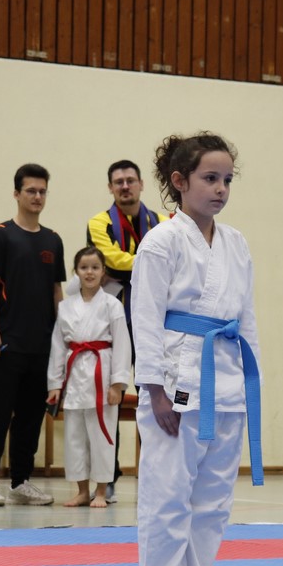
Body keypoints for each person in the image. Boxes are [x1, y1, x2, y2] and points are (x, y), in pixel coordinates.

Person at [131, 132, 263, 566]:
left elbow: (247, 319)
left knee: (213, 501)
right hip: (177, 378)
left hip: (227, 378)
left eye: (227, 179)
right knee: (169, 494)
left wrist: (250, 384)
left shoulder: (236, 243)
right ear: (180, 181)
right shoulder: (161, 242)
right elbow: (145, 318)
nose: (221, 189)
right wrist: (154, 390)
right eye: (210, 178)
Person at [0, 163, 66, 507]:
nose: (37, 196)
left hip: (42, 346)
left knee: (30, 418)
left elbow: (56, 292)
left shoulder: (53, 240)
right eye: (31, 191)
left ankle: (21, 481)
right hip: (6, 343)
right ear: (17, 193)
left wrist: (64, 338)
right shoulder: (0, 235)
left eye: (42, 191)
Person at [86, 159, 168, 502]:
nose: (124, 186)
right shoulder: (99, 222)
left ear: (141, 184)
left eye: (130, 180)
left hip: (155, 320)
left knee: (155, 393)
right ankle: (108, 477)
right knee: (112, 397)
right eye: (118, 182)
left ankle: (157, 473)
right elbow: (108, 260)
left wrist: (130, 263)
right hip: (115, 320)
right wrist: (151, 262)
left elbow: (163, 262)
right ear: (110, 188)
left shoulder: (163, 222)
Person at [46, 247, 132, 508]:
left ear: (103, 271)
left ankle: (102, 492)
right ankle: (82, 491)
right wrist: (55, 384)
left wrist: (117, 384)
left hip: (101, 373)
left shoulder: (112, 305)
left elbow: (122, 345)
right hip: (74, 375)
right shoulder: (65, 307)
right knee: (75, 438)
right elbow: (58, 347)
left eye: (95, 267)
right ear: (76, 272)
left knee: (102, 435)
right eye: (84, 268)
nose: (90, 272)